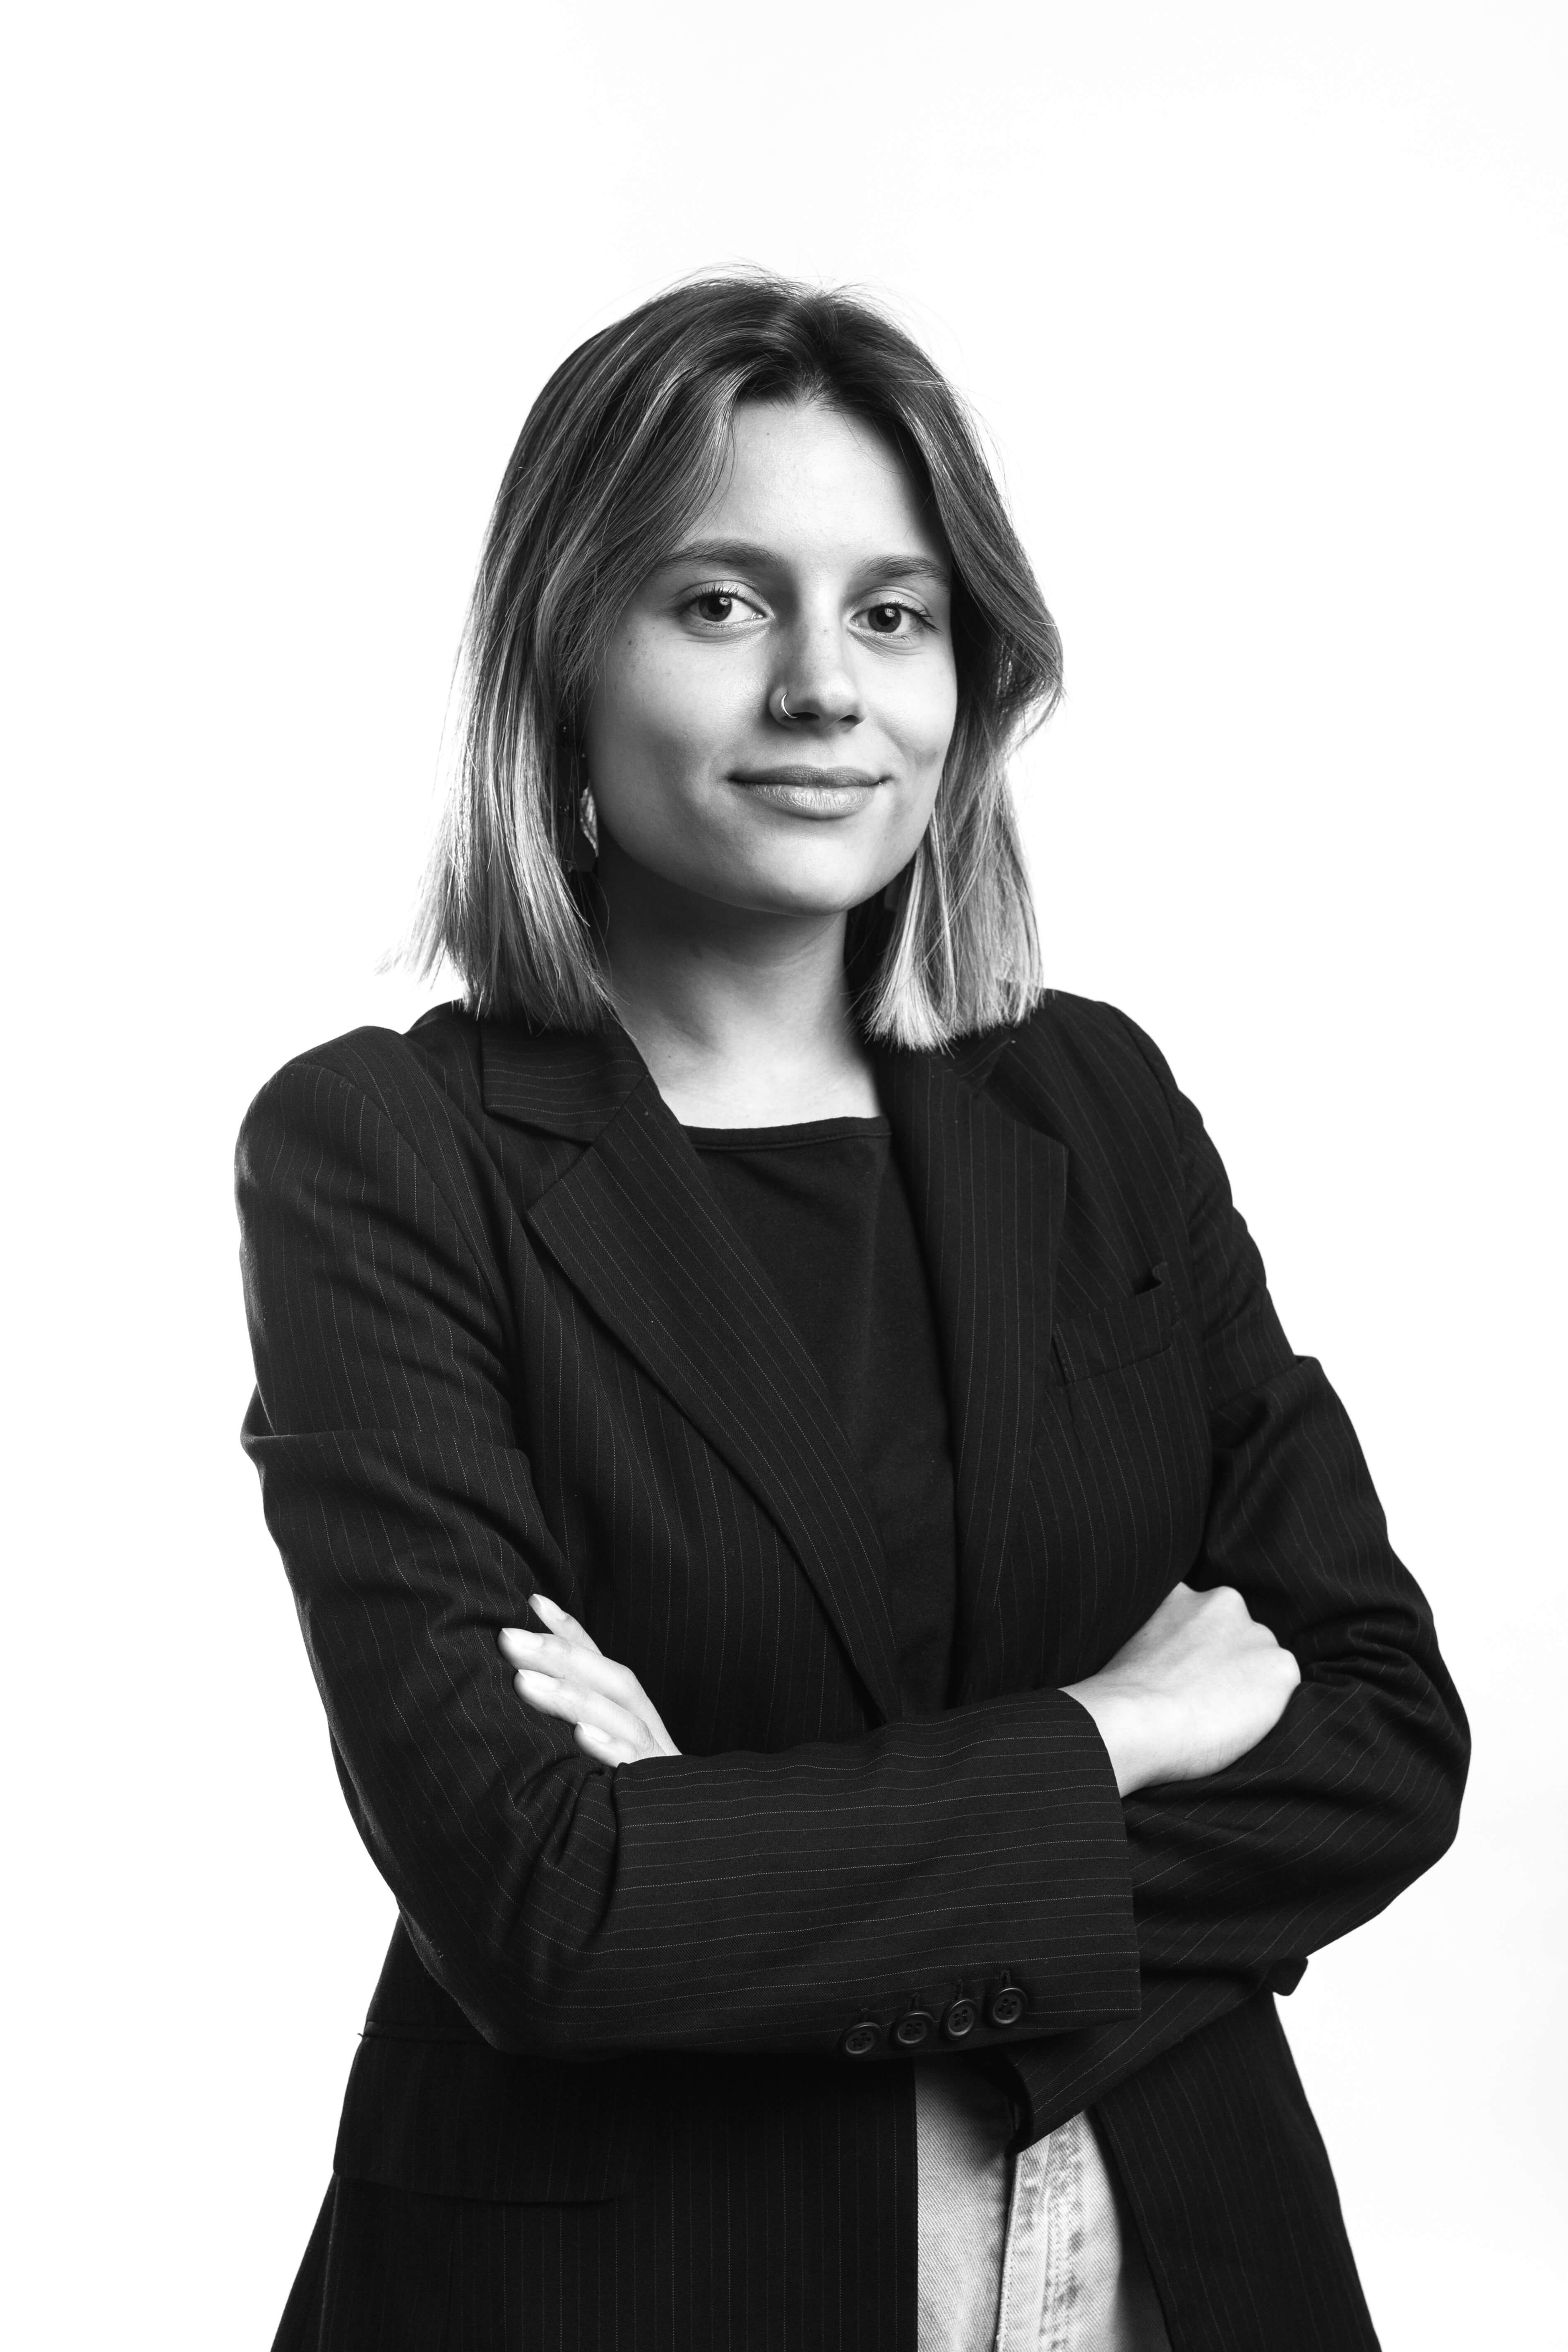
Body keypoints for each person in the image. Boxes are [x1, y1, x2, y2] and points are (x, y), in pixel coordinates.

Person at [236, 274, 1468, 2352]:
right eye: (720, 602)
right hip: (624, 2284)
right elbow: (544, 1904)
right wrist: (1109, 1738)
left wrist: (718, 1850)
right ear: (563, 655)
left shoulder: (1091, 1099)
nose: (826, 686)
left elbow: (1381, 1738)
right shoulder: (388, 1151)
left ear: (965, 677)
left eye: (892, 613)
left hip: (1170, 2239)